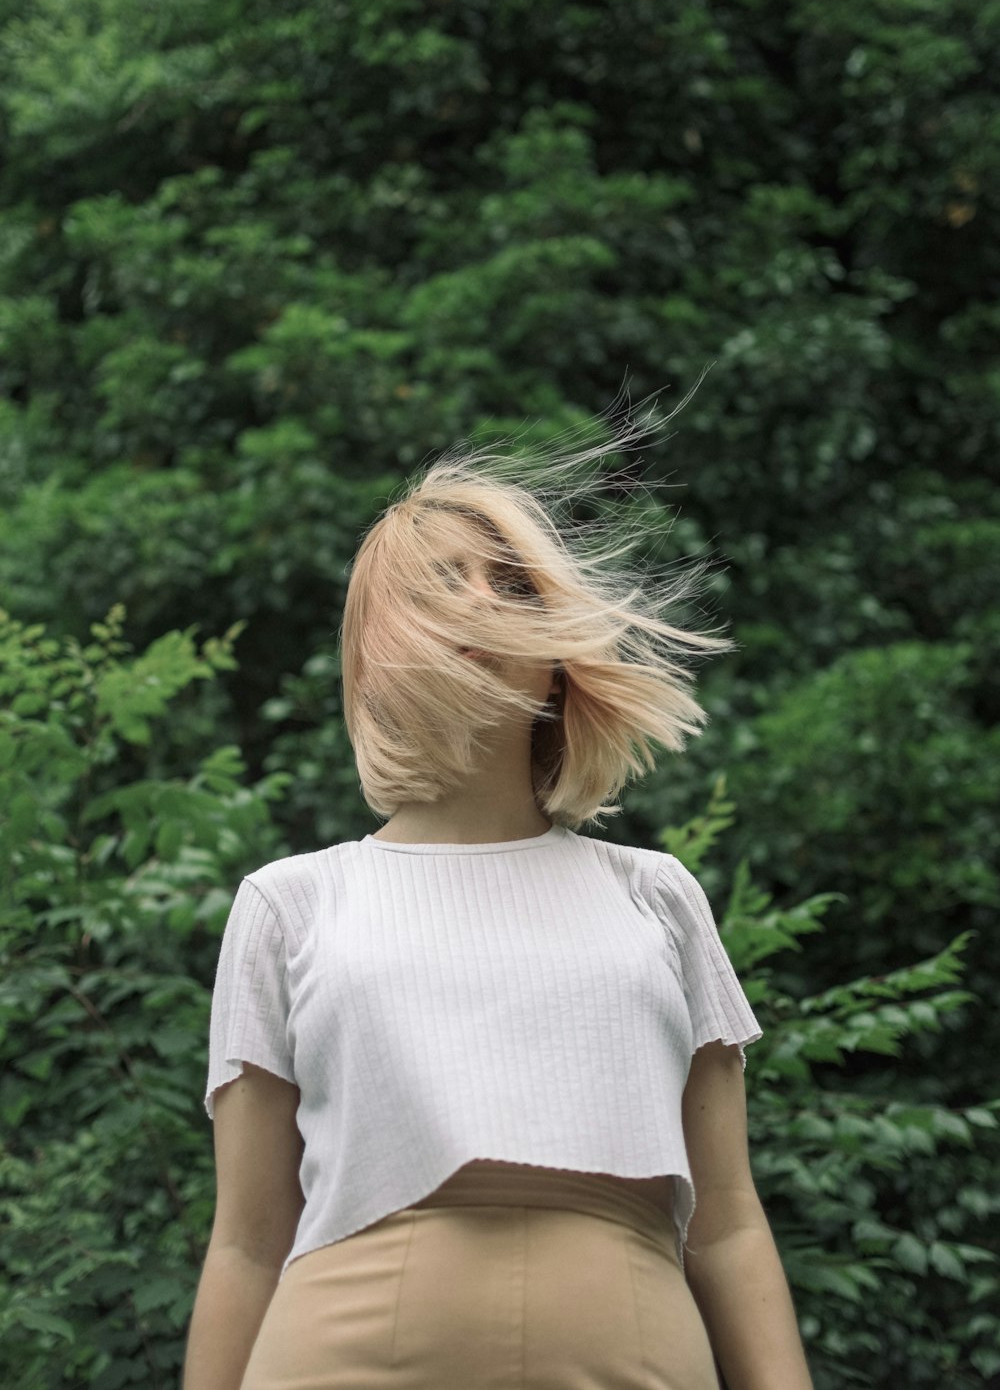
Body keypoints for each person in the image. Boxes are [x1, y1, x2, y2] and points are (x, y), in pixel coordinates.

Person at [182, 396, 815, 1389]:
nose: (481, 600)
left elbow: (728, 1225)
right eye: (444, 583)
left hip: (639, 1348)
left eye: (513, 583)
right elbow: (247, 1243)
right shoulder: (290, 904)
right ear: (374, 651)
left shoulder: (656, 896)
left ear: (560, 653)